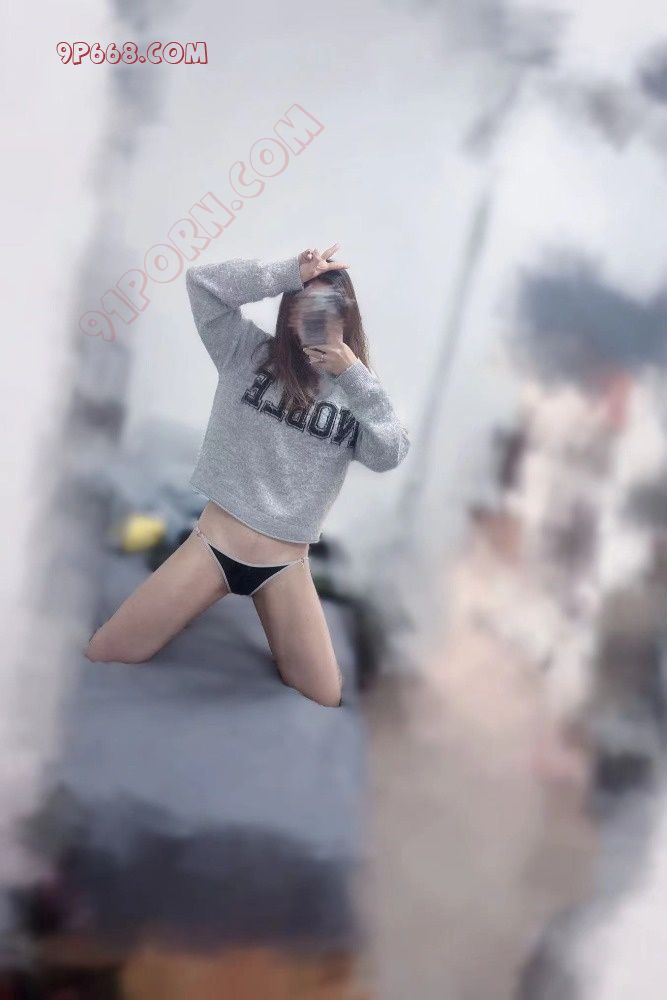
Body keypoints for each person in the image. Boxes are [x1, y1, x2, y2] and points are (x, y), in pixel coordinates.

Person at [85, 243, 410, 707]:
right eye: (305, 305)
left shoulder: (356, 395)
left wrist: (354, 375)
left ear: (347, 316)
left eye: (328, 308)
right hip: (213, 546)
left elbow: (389, 454)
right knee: (107, 651)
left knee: (324, 695)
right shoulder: (245, 351)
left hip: (285, 566)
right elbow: (202, 284)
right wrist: (288, 272)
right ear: (289, 312)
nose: (315, 319)